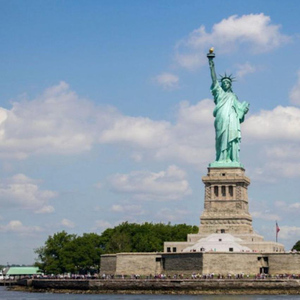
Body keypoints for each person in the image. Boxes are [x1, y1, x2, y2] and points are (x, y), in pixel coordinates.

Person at [208, 52, 249, 165]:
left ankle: (232, 159)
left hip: (232, 120)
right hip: (221, 117)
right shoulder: (219, 93)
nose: (226, 83)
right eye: (224, 82)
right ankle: (220, 159)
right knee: (221, 138)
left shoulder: (233, 97)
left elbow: (240, 111)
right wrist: (211, 63)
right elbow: (214, 79)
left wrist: (244, 109)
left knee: (232, 139)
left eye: (228, 82)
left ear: (230, 85)